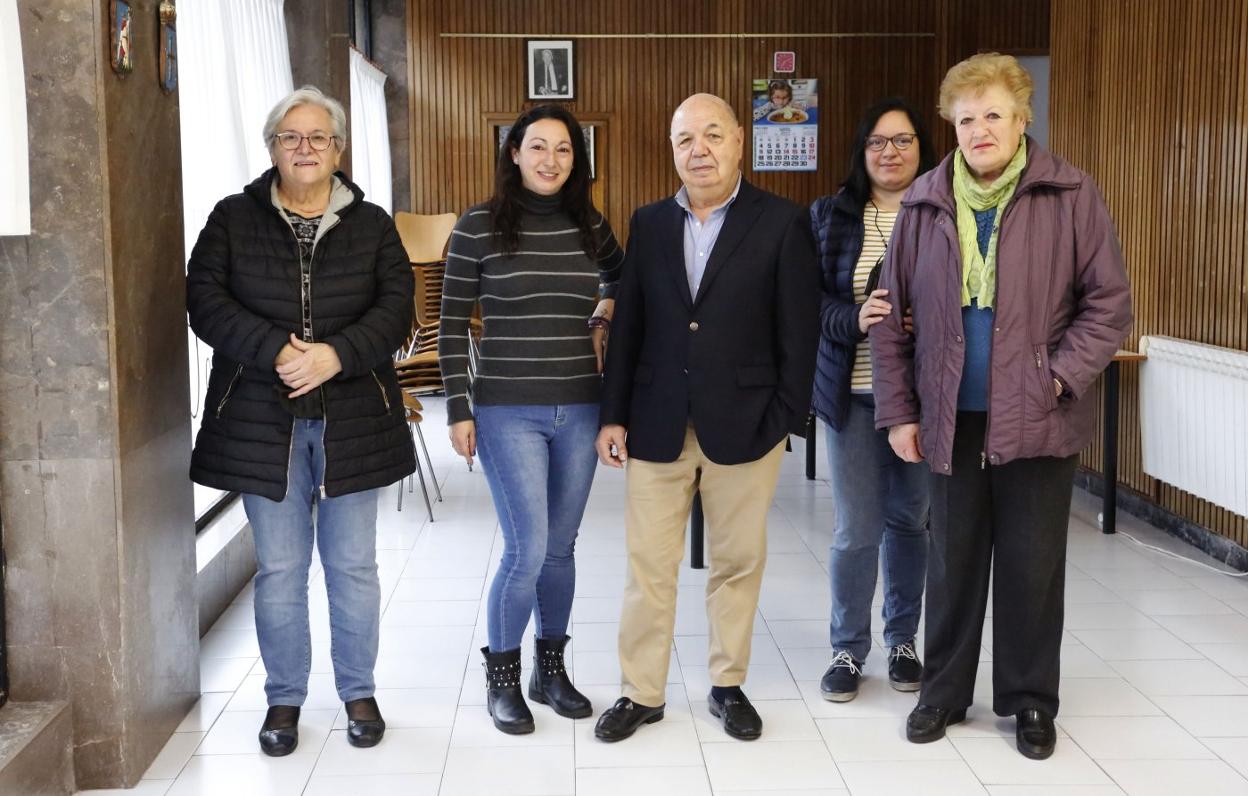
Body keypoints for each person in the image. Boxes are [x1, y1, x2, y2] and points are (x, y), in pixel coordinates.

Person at [871, 53, 1132, 760]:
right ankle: (944, 694)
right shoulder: (925, 201)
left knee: (1032, 565)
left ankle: (1028, 703)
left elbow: (1109, 306)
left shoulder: (1070, 194)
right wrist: (900, 413)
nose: (980, 129)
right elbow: (888, 318)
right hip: (951, 417)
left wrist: (1055, 378)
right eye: (966, 118)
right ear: (950, 127)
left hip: (1039, 417)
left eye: (994, 115)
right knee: (950, 564)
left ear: (1022, 119)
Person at [187, 86, 415, 755]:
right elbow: (204, 300)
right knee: (282, 569)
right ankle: (284, 698)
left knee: (352, 566)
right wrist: (279, 351)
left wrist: (336, 357)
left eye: (319, 137)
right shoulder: (232, 218)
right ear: (272, 147)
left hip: (354, 419)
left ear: (339, 148)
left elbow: (397, 308)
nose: (306, 148)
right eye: (292, 136)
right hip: (264, 419)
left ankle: (358, 692)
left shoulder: (372, 224)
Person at [593, 93, 820, 743]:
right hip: (655, 422)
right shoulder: (649, 224)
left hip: (747, 425)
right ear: (673, 150)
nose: (700, 149)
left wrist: (784, 417)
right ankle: (642, 692)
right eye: (685, 138)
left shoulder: (781, 222)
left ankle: (727, 684)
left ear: (740, 142)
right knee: (648, 567)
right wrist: (613, 416)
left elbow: (798, 335)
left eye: (713, 135)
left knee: (736, 562)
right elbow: (629, 324)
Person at [438, 104, 623, 735]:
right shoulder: (478, 226)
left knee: (561, 550)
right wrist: (458, 407)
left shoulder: (589, 224)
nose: (550, 160)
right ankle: (502, 679)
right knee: (527, 548)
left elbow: (629, 284)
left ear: (577, 160)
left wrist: (604, 309)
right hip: (505, 407)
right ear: (513, 153)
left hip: (580, 405)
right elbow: (450, 322)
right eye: (537, 147)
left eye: (564, 149)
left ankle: (551, 671)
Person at [810, 97, 937, 702]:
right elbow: (808, 304)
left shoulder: (943, 212)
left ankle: (903, 639)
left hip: (922, 401)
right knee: (855, 529)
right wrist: (856, 318)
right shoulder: (831, 216)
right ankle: (847, 648)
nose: (891, 152)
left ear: (922, 148)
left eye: (903, 140)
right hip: (851, 395)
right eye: (878, 142)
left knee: (910, 522)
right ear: (862, 153)